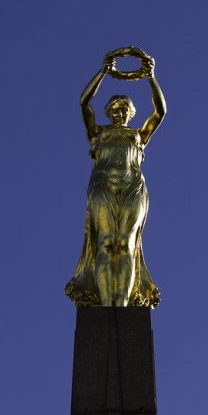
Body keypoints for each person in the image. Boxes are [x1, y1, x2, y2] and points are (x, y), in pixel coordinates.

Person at [65, 51, 166, 307]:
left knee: (126, 244)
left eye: (124, 109)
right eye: (115, 109)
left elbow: (160, 112)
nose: (119, 113)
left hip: (132, 186)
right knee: (107, 243)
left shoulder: (139, 136)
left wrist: (151, 76)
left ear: (131, 113)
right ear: (109, 112)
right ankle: (106, 303)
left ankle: (121, 305)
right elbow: (84, 103)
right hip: (103, 186)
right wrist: (103, 72)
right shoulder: (98, 133)